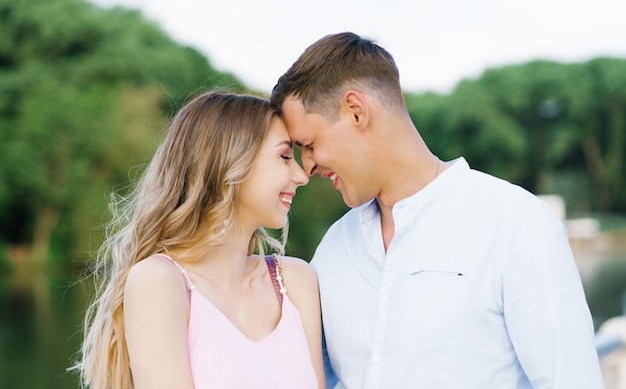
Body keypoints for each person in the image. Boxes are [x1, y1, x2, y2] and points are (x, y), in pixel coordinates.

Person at [270, 32, 604, 388]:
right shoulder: (334, 248)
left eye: (309, 144)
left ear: (356, 111)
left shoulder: (517, 224)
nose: (307, 168)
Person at [73, 90, 325, 389]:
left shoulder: (295, 280)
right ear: (230, 162)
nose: (301, 175)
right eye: (284, 156)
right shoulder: (160, 281)